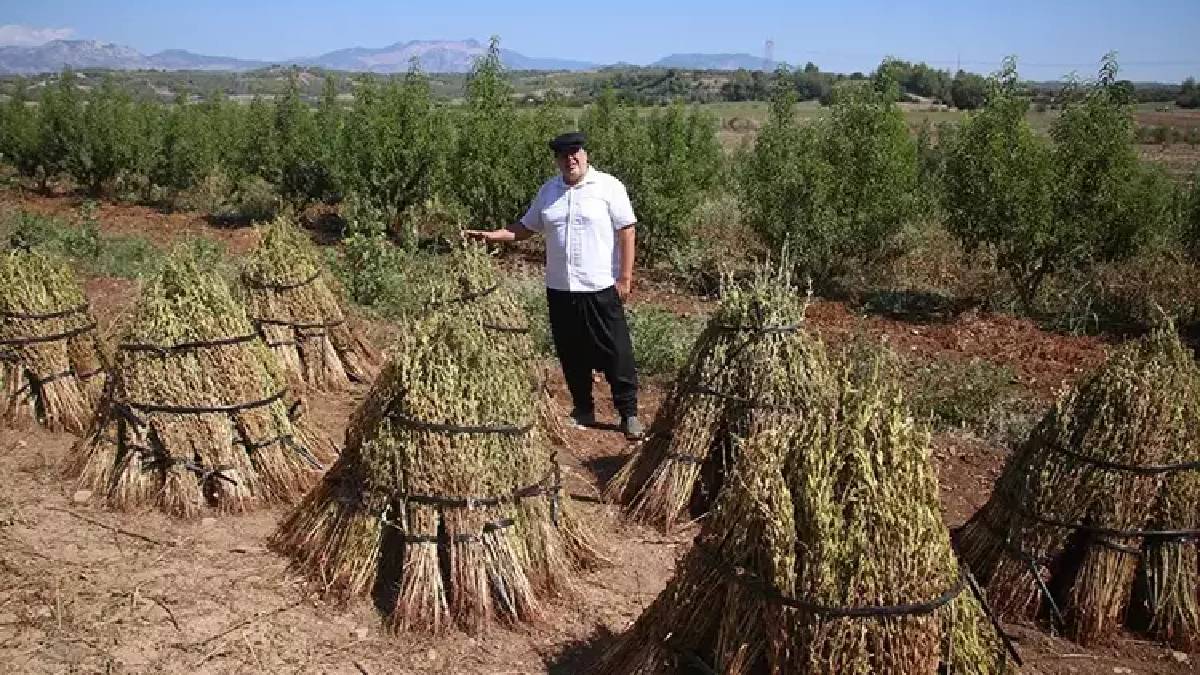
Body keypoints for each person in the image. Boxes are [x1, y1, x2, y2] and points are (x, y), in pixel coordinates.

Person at [464, 131, 644, 440]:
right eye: (563, 155)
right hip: (560, 289)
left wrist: (625, 279)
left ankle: (628, 414)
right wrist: (493, 236)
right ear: (557, 160)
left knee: (616, 351)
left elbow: (627, 230)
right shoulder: (549, 192)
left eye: (575, 152)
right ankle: (583, 409)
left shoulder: (609, 187)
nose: (570, 159)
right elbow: (525, 227)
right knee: (571, 352)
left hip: (600, 287)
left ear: (585, 154)